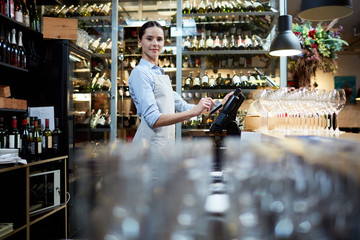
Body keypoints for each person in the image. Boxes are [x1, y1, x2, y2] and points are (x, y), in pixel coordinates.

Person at [129, 21, 232, 146]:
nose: (155, 44)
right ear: (140, 41)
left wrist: (220, 105)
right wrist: (194, 112)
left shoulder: (159, 73)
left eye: (159, 39)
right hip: (148, 149)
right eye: (149, 39)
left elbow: (183, 106)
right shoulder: (140, 73)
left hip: (164, 147)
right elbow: (153, 119)